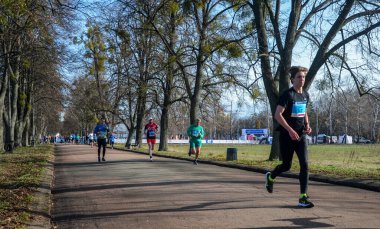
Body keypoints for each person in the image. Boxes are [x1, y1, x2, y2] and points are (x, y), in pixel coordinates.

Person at [265, 66, 314, 208]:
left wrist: (307, 124)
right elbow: (277, 115)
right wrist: (290, 130)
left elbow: (304, 111)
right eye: (299, 77)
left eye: (303, 77)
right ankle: (271, 176)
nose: (302, 79)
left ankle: (303, 197)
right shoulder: (287, 95)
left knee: (305, 165)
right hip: (287, 136)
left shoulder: (305, 94)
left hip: (301, 136)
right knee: (286, 165)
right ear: (292, 79)